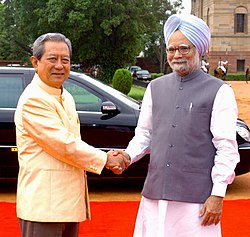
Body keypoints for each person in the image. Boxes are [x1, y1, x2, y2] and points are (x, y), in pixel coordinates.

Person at [112, 14, 240, 237]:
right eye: (171, 49)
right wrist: (127, 156)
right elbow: (145, 134)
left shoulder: (220, 91)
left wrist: (217, 194)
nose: (176, 55)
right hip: (155, 194)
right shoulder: (155, 87)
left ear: (199, 49)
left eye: (184, 48)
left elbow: (226, 148)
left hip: (196, 200)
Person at [14, 33, 129, 237]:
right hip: (44, 208)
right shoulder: (33, 99)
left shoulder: (65, 95)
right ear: (35, 61)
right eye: (52, 59)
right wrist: (106, 159)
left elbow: (73, 142)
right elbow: (63, 144)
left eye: (65, 60)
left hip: (67, 203)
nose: (59, 65)